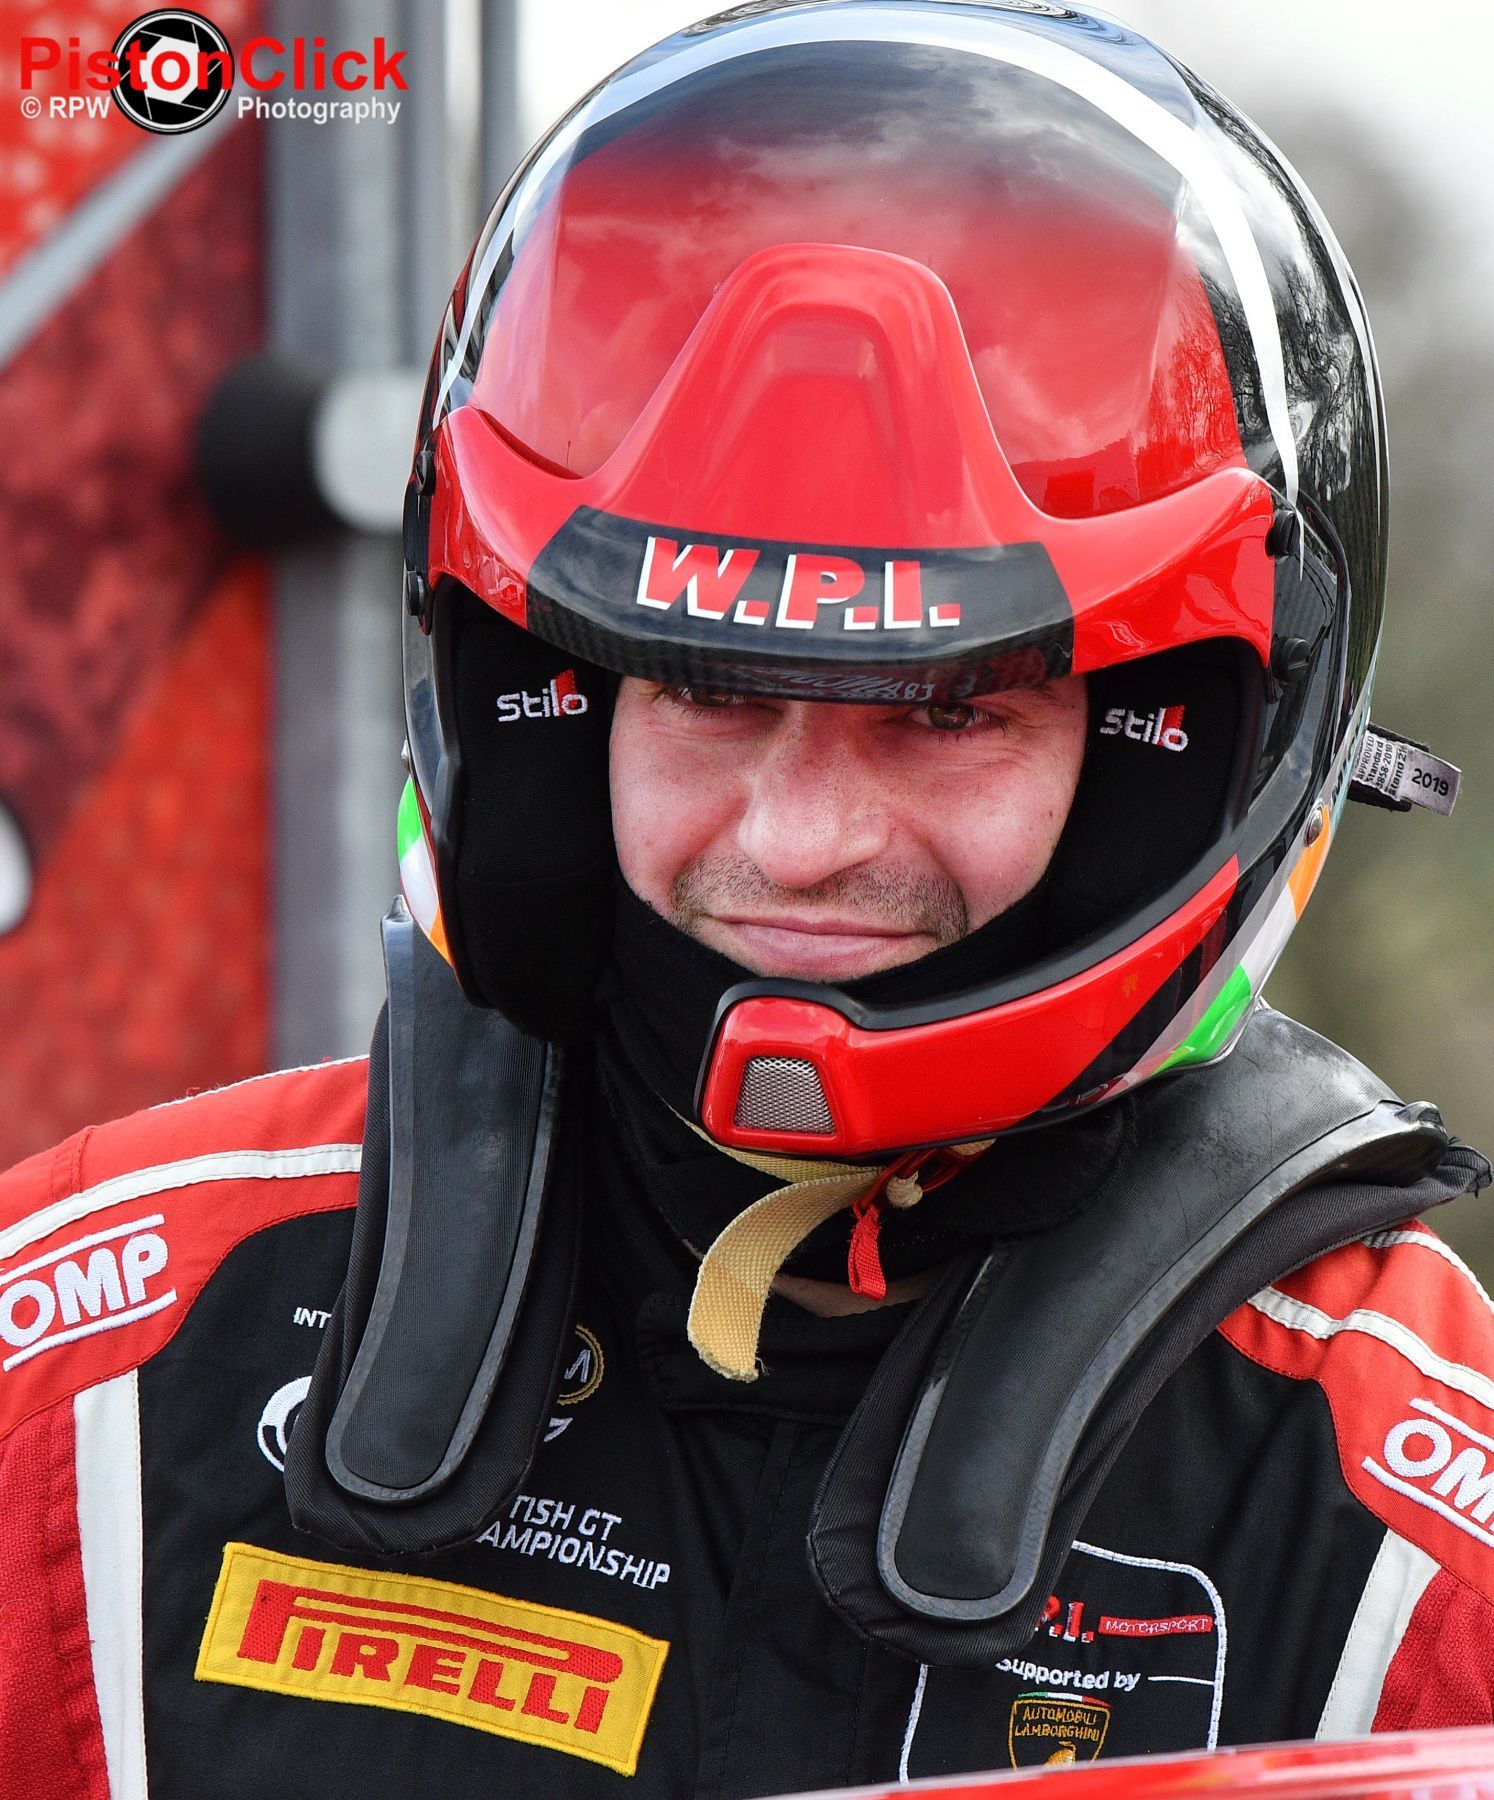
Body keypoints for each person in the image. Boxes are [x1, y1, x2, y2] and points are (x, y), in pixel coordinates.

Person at [2, 5, 1491, 1796]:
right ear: (546, 705)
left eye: (947, 711)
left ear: (1168, 750)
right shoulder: (104, 1361)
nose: (795, 844)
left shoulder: (1405, 1516)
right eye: (704, 692)